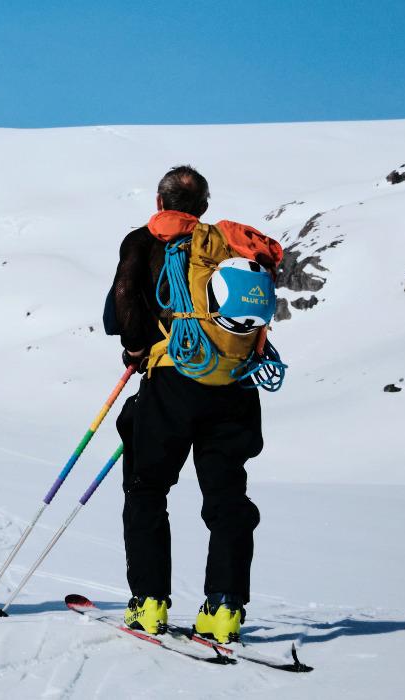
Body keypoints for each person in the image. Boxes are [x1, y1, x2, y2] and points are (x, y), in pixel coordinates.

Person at [109, 165, 269, 643]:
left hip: (173, 381)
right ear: (202, 208)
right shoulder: (229, 243)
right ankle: (223, 611)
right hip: (236, 386)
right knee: (227, 500)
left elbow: (122, 305)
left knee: (147, 488)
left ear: (161, 203)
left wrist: (136, 350)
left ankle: (149, 605)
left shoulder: (144, 241)